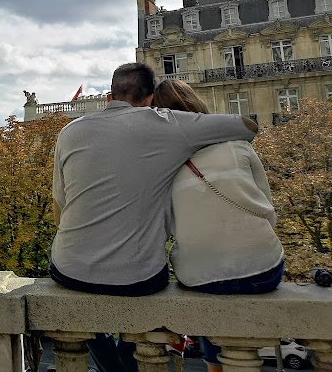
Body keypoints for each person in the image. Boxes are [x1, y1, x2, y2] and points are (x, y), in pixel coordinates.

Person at [50, 63, 258, 372]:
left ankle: (112, 364)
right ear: (150, 99)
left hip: (69, 269)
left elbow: (60, 205)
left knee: (92, 327)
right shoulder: (168, 124)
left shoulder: (70, 131)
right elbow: (247, 125)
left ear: (110, 96)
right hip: (139, 277)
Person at [152, 79, 283, 372]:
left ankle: (213, 364)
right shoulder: (238, 146)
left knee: (207, 276)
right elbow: (267, 206)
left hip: (199, 276)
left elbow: (168, 225)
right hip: (263, 270)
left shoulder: (163, 166)